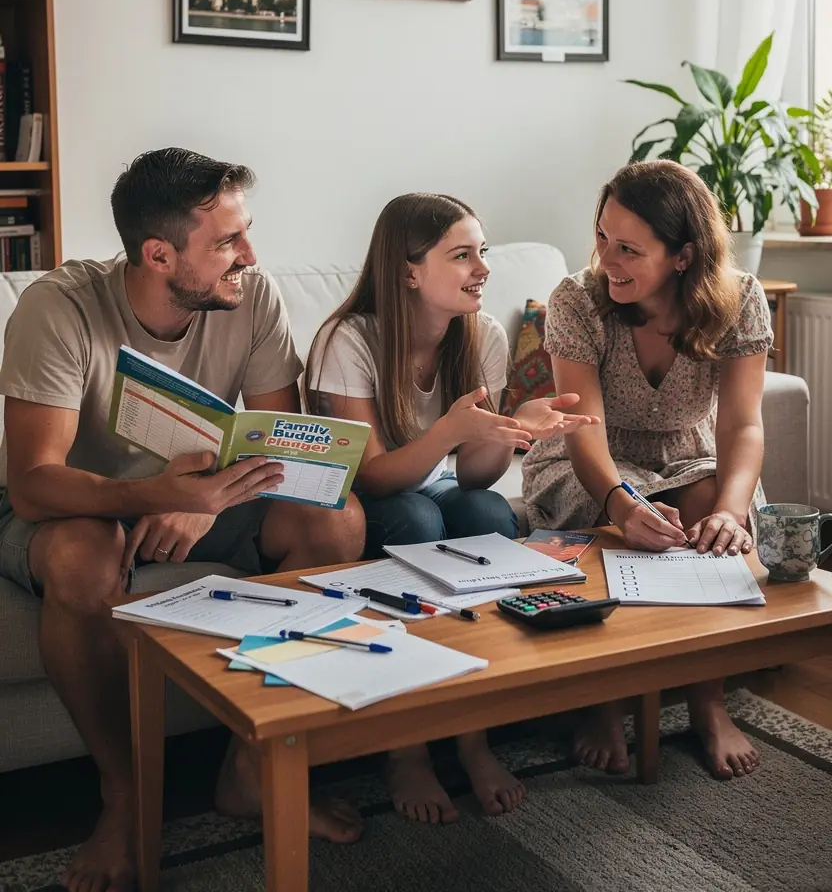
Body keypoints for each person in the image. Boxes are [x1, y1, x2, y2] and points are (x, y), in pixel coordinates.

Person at [0, 148, 367, 892]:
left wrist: (208, 501)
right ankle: (125, 797)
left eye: (246, 233)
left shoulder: (251, 296)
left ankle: (248, 768)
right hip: (79, 509)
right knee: (81, 555)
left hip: (201, 496)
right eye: (228, 242)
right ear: (158, 253)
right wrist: (162, 498)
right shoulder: (59, 308)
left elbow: (280, 452)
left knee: (334, 520)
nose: (250, 256)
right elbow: (36, 484)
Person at [305, 192, 596, 824]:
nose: (482, 269)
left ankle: (472, 735)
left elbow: (472, 474)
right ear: (408, 271)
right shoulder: (347, 339)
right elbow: (375, 478)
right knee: (416, 520)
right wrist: (451, 431)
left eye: (483, 252)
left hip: (430, 485)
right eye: (462, 255)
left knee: (491, 514)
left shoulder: (483, 332)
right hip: (357, 496)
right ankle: (406, 747)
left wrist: (510, 432)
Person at [522, 160, 772, 781]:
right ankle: (607, 702)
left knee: (709, 511)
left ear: (683, 256)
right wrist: (621, 504)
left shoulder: (740, 301)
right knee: (627, 527)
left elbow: (741, 425)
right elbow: (586, 430)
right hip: (589, 455)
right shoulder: (577, 301)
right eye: (603, 237)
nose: (608, 258)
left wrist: (731, 513)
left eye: (630, 248)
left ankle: (706, 701)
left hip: (688, 451)